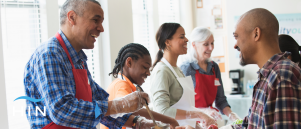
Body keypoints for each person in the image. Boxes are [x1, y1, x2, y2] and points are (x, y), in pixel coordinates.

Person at [23, 0, 150, 128]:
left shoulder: (79, 60)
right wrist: (120, 105)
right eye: (96, 20)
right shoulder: (50, 54)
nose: (101, 28)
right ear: (72, 17)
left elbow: (100, 105)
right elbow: (62, 110)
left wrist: (138, 122)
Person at [233, 8, 301, 129]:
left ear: (256, 34)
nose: (235, 45)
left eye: (237, 36)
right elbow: (248, 125)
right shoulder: (266, 76)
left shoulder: (281, 76)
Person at [149, 23, 218, 128]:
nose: (187, 40)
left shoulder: (177, 69)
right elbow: (162, 112)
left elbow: (187, 108)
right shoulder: (161, 71)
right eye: (182, 37)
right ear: (168, 42)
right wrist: (199, 114)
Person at [100, 43, 179, 129]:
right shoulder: (121, 85)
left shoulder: (127, 85)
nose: (148, 73)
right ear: (129, 62)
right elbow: (128, 108)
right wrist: (170, 120)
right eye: (145, 67)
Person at [180, 27, 240, 122]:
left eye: (212, 43)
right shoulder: (186, 68)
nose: (211, 48)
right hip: (191, 123)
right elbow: (182, 106)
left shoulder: (214, 67)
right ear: (194, 45)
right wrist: (204, 111)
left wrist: (233, 116)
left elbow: (221, 101)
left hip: (209, 121)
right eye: (206, 44)